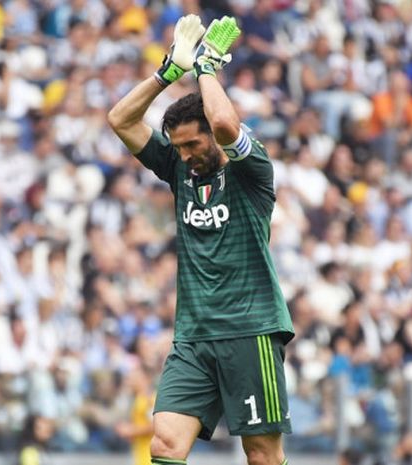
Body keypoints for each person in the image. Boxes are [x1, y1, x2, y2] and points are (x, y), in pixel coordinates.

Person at [108, 14, 294, 465]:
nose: (185, 155)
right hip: (193, 336)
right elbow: (120, 119)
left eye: (192, 144)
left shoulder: (252, 172)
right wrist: (168, 72)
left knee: (262, 456)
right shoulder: (178, 167)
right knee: (165, 445)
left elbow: (227, 125)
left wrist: (207, 69)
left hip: (250, 330)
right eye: (179, 146)